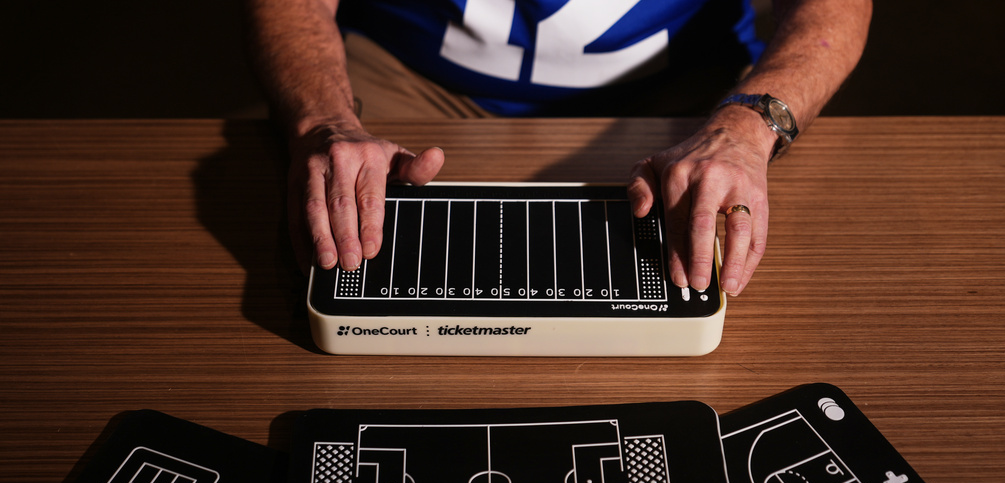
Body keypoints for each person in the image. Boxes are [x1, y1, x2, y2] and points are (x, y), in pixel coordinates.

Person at [245, 0, 871, 296]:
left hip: (676, 83)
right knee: (336, 268)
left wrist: (747, 127)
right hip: (410, 73)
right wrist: (325, 121)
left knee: (701, 294)